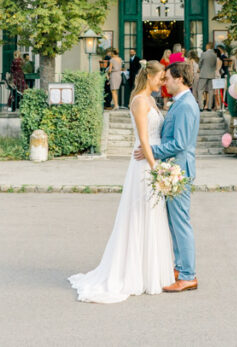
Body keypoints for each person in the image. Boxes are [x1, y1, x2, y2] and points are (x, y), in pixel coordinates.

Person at [70, 61, 174, 303]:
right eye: (160, 78)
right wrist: (155, 168)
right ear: (149, 76)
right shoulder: (139, 100)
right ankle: (134, 273)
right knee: (139, 215)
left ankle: (153, 272)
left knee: (154, 215)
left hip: (153, 159)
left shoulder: (151, 100)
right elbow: (144, 139)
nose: (162, 82)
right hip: (145, 165)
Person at [133, 61, 199, 293]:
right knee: (174, 222)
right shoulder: (180, 103)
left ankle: (188, 275)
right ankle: (180, 268)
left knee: (181, 223)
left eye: (168, 78)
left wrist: (151, 151)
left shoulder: (185, 105)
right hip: (174, 169)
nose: (165, 82)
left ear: (179, 78)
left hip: (179, 170)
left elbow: (180, 143)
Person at [197, 42, 218, 111]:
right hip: (211, 74)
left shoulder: (204, 54)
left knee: (200, 90)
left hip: (203, 74)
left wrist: (199, 68)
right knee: (211, 91)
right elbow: (215, 65)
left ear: (208, 46)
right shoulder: (215, 55)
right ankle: (209, 107)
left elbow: (200, 63)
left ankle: (201, 107)